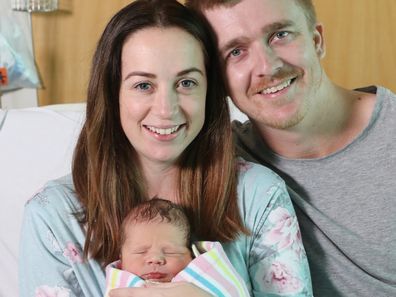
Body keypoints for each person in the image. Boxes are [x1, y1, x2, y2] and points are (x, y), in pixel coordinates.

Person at [19, 0, 312, 296]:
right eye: (143, 86)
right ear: (112, 94)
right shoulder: (54, 217)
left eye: (186, 82)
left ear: (209, 93)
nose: (166, 110)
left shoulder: (257, 196)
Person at [185, 0, 396, 296]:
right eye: (236, 51)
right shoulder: (220, 166)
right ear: (218, 80)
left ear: (317, 40)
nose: (267, 66)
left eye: (280, 34)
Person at [104, 198, 250, 296]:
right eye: (140, 252)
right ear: (121, 258)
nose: (155, 259)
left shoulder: (207, 277)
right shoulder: (118, 288)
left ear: (191, 256)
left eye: (170, 252)